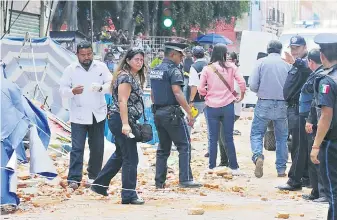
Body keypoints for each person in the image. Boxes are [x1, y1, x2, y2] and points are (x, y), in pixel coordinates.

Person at [91, 48, 146, 205]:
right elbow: (122, 101)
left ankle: (99, 185)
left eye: (141, 60)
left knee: (121, 154)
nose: (139, 62)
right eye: (136, 59)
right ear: (128, 60)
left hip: (120, 119)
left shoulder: (127, 75)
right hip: (121, 120)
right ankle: (129, 195)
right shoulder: (125, 78)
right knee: (131, 157)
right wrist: (126, 124)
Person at [59, 41, 112, 190]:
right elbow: (62, 89)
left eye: (89, 54)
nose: (86, 57)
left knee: (97, 147)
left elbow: (111, 84)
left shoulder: (101, 67)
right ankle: (74, 178)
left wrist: (102, 88)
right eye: (83, 55)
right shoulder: (70, 70)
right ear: (77, 55)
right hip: (79, 115)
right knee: (77, 148)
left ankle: (93, 176)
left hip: (97, 113)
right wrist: (72, 92)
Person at [150, 42, 202, 189]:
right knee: (184, 145)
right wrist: (190, 112)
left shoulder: (155, 70)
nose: (182, 58)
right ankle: (185, 179)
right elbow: (177, 92)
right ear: (172, 54)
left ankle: (159, 182)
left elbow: (153, 94)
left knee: (163, 149)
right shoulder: (174, 70)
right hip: (171, 113)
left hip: (158, 112)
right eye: (180, 55)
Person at [198, 44, 246, 173]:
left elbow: (200, 88)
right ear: (225, 54)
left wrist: (206, 94)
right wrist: (241, 95)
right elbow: (242, 83)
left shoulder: (207, 69)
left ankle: (211, 166)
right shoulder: (232, 67)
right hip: (228, 106)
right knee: (228, 137)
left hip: (211, 107)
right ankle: (234, 167)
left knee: (213, 138)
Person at [249, 40, 291, 178]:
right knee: (282, 138)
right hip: (282, 104)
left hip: (264, 103)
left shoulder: (260, 63)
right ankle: (281, 169)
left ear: (268, 49)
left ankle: (258, 156)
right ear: (280, 50)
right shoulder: (287, 65)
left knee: (257, 133)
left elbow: (253, 85)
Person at [279, 35, 312, 190]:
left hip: (299, 110)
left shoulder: (306, 62)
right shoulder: (296, 64)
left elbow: (306, 67)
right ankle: (305, 177)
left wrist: (295, 61)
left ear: (305, 47)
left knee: (297, 146)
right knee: (300, 145)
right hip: (292, 109)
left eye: (297, 48)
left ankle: (294, 180)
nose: (294, 51)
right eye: (292, 48)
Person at [310, 33, 337, 220]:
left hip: (332, 143)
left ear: (322, 56)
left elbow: (326, 116)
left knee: (333, 192)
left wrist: (316, 145)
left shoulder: (327, 81)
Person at [299, 49, 327, 203]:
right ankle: (316, 191)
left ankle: (323, 193)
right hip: (315, 120)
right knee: (313, 157)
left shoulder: (323, 76)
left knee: (319, 158)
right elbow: (315, 101)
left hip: (323, 123)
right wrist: (310, 119)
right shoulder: (321, 75)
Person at [218, 52, 243, 167]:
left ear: (234, 61)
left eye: (228, 59)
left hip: (231, 110)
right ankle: (224, 162)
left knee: (224, 137)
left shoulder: (236, 73)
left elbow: (235, 92)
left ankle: (233, 164)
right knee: (220, 136)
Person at [188, 46, 207, 136]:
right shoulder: (210, 65)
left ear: (193, 56)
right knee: (211, 125)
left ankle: (185, 142)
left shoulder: (194, 67)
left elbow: (194, 86)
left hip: (198, 99)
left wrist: (191, 100)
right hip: (210, 98)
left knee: (189, 120)